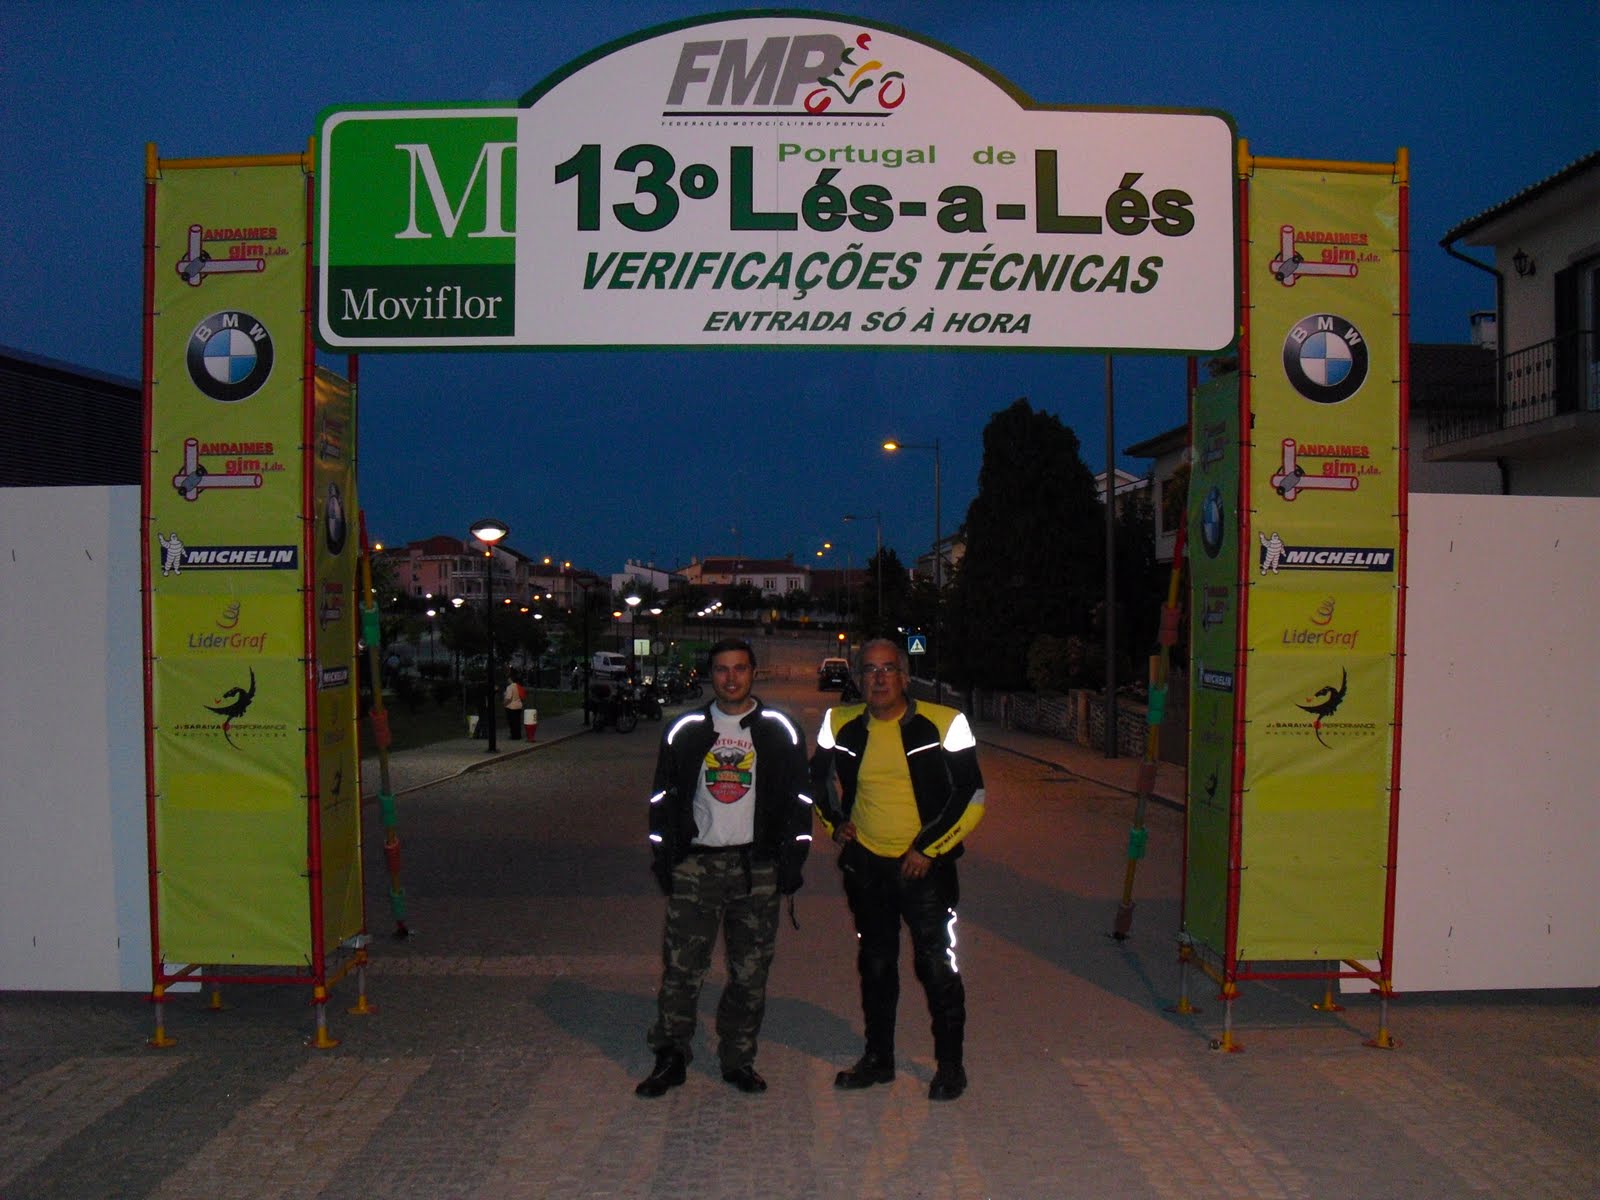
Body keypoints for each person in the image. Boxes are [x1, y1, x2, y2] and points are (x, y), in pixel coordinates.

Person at [636, 638, 813, 1098]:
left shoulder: (780, 729)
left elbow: (801, 799)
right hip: (697, 866)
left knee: (750, 974)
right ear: (710, 674)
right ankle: (671, 1055)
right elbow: (661, 799)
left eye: (739, 668)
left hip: (757, 869)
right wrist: (665, 859)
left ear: (753, 672)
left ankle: (738, 1058)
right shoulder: (685, 729)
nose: (731, 678)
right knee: (681, 970)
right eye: (721, 669)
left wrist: (792, 860)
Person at [811, 638, 985, 1101]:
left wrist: (929, 848)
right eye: (870, 670)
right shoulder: (838, 722)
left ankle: (950, 1067)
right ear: (857, 678)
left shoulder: (946, 723)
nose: (879, 678)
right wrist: (835, 824)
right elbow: (817, 780)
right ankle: (878, 1059)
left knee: (936, 966)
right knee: (875, 964)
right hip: (867, 866)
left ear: (905, 677)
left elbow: (971, 794)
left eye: (888, 669)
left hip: (925, 869)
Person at [503, 671, 524, 740]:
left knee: (512, 722)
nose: (507, 680)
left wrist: (504, 704)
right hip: (519, 706)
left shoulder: (510, 687)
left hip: (511, 707)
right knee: (517, 721)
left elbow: (508, 698)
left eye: (508, 679)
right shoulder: (518, 686)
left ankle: (514, 736)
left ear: (510, 679)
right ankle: (518, 735)